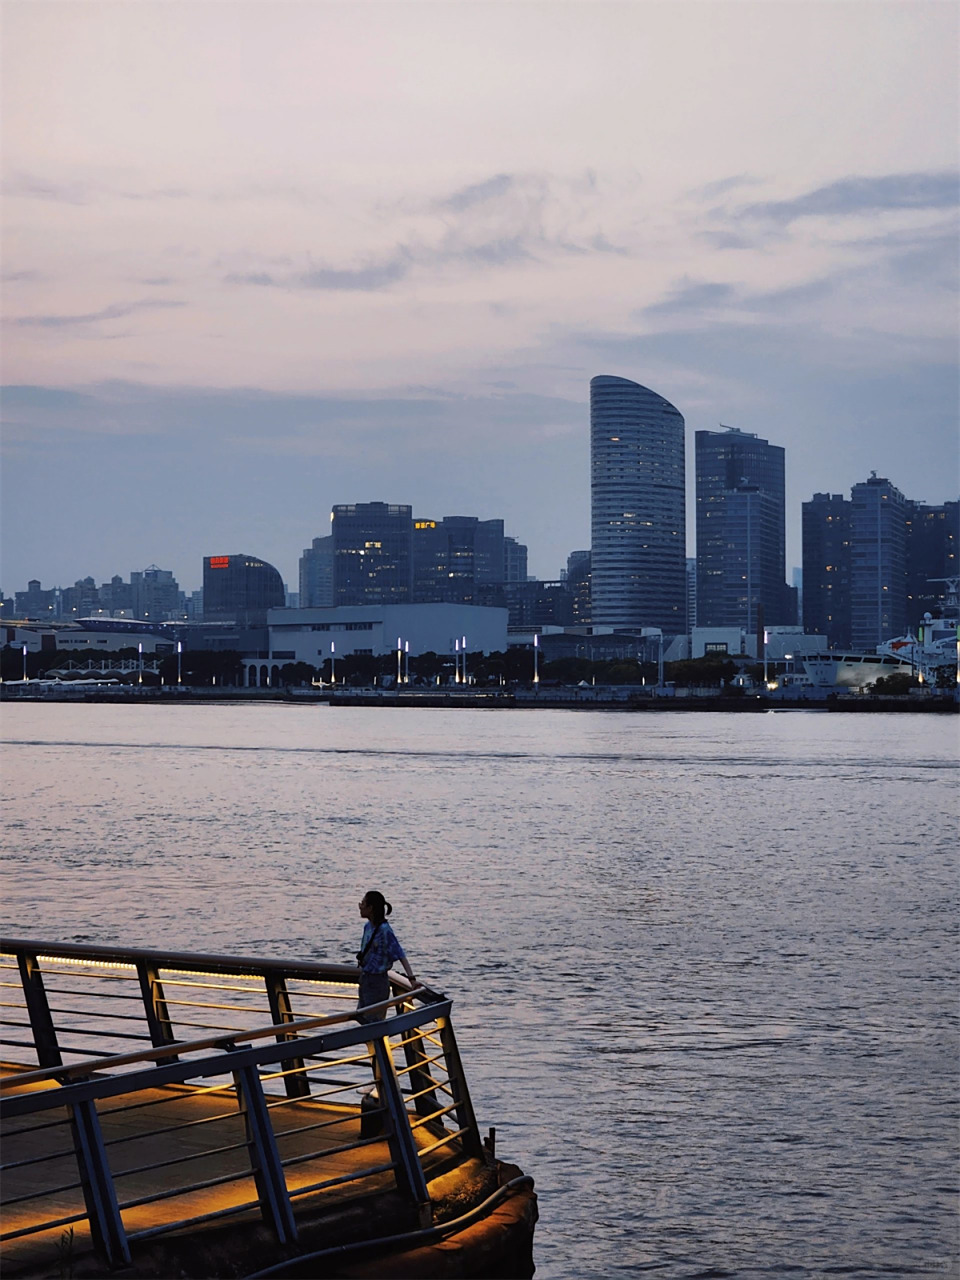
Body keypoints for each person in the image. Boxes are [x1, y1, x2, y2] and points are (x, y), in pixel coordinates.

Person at [355, 891, 417, 1023]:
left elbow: (399, 953)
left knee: (373, 1021)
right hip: (365, 979)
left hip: (378, 982)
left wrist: (411, 978)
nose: (360, 906)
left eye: (363, 904)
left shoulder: (384, 930)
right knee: (362, 1017)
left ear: (370, 908)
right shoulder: (367, 927)